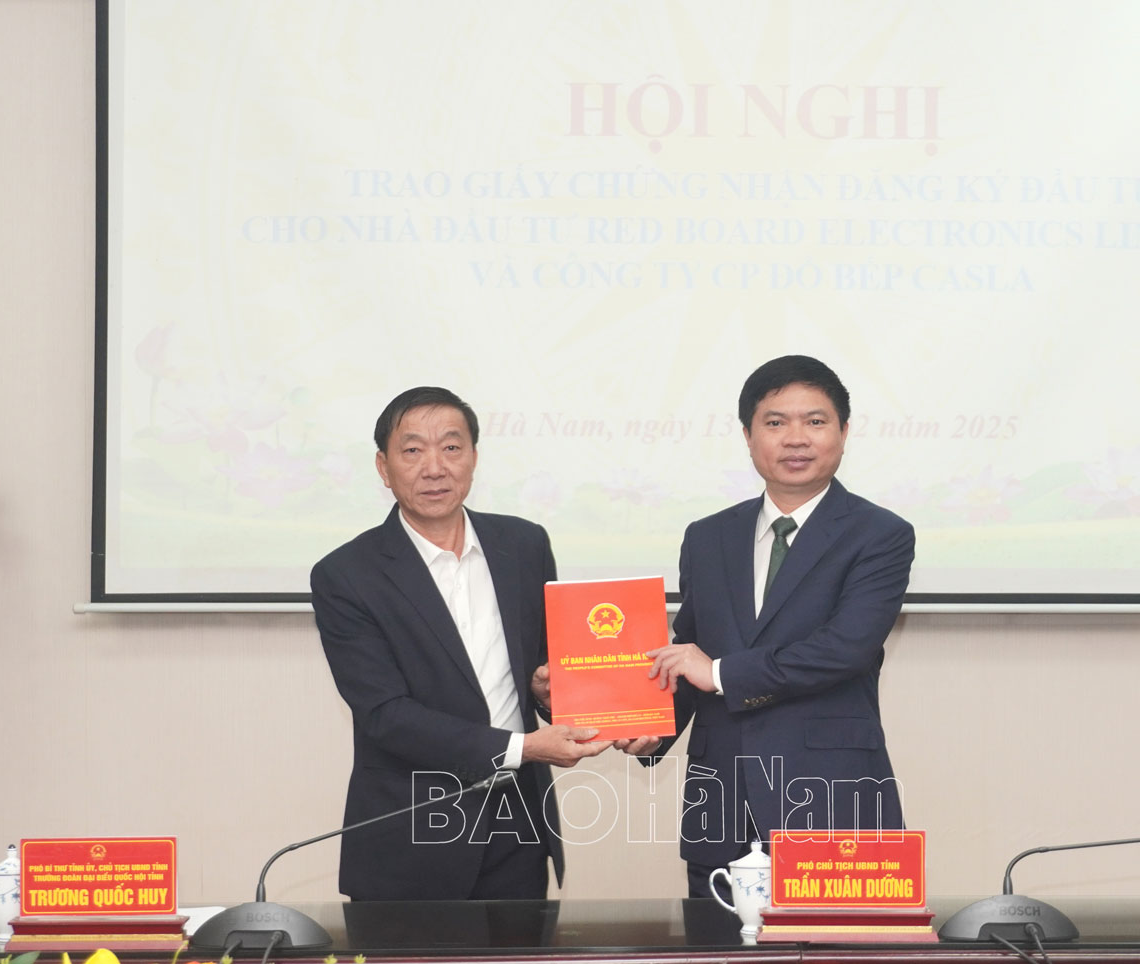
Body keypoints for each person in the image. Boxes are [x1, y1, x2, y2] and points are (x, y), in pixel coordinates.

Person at [621, 355, 915, 898]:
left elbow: (844, 649)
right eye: (776, 422)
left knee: (840, 945)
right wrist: (648, 727)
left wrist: (720, 673)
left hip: (831, 800)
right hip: (721, 803)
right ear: (748, 436)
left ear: (844, 432)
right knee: (716, 943)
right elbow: (690, 653)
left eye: (815, 421)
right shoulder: (707, 537)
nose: (796, 438)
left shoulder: (880, 534)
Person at [312, 386, 610, 900]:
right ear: (383, 467)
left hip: (518, 825)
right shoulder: (347, 574)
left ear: (473, 457)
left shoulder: (524, 545)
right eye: (412, 450)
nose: (435, 468)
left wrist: (546, 689)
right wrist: (522, 747)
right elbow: (385, 714)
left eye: (451, 447)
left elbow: (543, 665)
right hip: (413, 834)